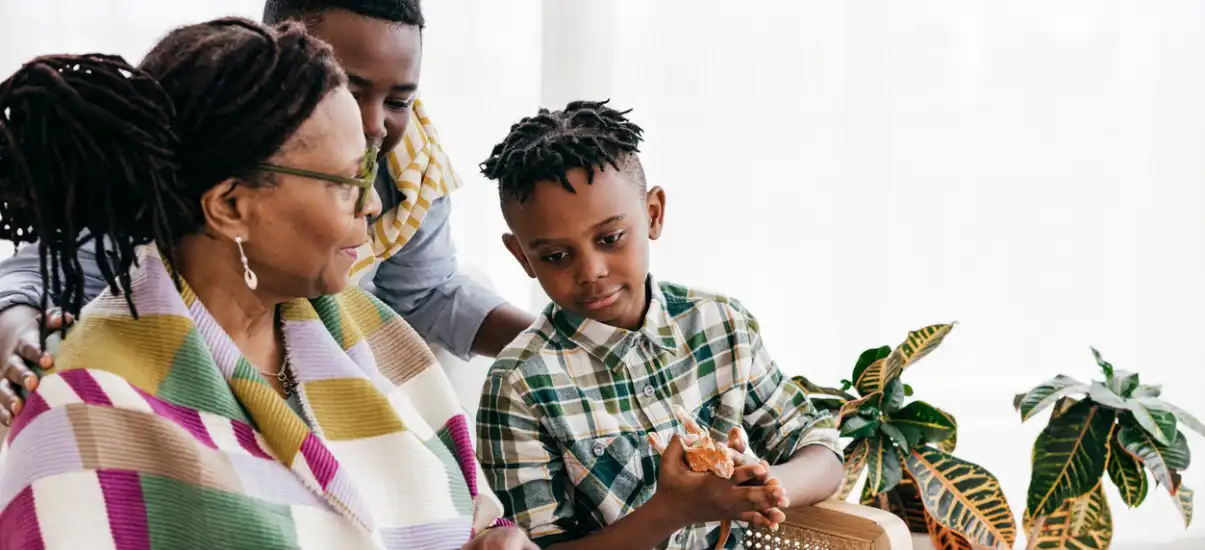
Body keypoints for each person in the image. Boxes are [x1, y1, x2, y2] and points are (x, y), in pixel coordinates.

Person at [0, 18, 534, 550]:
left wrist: (498, 539)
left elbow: (477, 515)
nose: (372, 202)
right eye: (349, 181)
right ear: (231, 206)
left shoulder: (372, 332)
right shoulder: (83, 411)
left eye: (371, 169)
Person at [474, 100, 844, 549]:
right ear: (522, 256)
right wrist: (673, 511)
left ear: (653, 214)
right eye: (556, 256)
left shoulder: (721, 325)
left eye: (610, 238)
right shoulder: (518, 386)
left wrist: (761, 488)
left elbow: (820, 446)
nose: (591, 271)